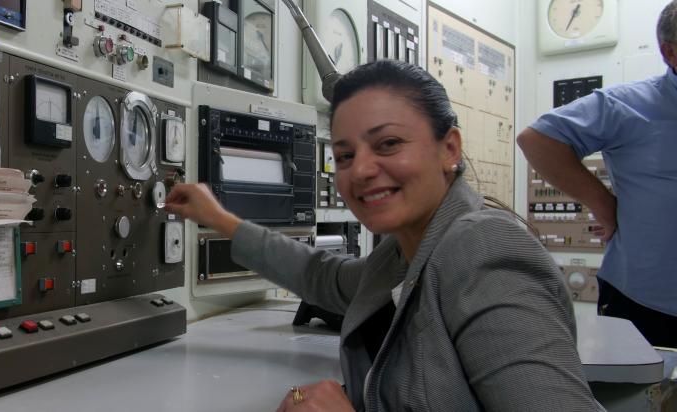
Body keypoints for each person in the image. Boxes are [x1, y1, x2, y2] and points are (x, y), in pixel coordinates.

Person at [165, 60, 600, 411]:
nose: (363, 170)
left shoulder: (483, 249)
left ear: (449, 148)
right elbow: (322, 276)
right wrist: (220, 219)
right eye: (346, 155)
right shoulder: (403, 253)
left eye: (388, 144)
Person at [518, 2, 677, 348]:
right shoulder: (629, 105)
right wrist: (603, 204)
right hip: (645, 304)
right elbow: (537, 140)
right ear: (670, 52)